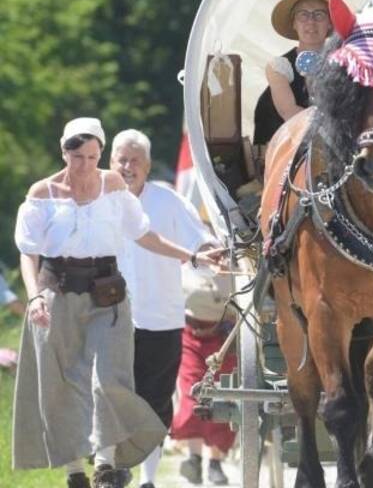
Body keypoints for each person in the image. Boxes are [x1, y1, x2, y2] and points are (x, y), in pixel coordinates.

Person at [13, 117, 223, 488]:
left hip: (107, 294)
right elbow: (28, 253)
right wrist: (34, 298)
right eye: (78, 157)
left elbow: (143, 235)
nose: (86, 165)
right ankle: (75, 470)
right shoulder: (42, 194)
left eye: (94, 156)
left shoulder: (111, 185)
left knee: (109, 380)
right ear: (64, 152)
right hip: (56, 293)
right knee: (62, 385)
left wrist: (191, 257)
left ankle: (107, 464)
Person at [110, 129, 217, 488]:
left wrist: (215, 252)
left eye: (134, 160)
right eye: (121, 160)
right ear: (111, 163)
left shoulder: (167, 201)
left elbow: (200, 240)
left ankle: (148, 479)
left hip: (161, 319)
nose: (127, 167)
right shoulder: (98, 201)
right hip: (110, 321)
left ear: (148, 165)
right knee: (110, 398)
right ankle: (112, 468)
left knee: (154, 403)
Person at [169, 266, 237, 486]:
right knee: (192, 395)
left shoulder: (235, 259)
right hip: (191, 336)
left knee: (222, 397)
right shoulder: (186, 260)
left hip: (225, 336)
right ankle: (194, 458)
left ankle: (215, 463)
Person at [253, 0, 332, 146]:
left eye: (319, 15)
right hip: (286, 151)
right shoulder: (279, 67)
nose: (311, 22)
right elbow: (289, 112)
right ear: (294, 23)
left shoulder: (344, 65)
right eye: (303, 15)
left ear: (330, 23)